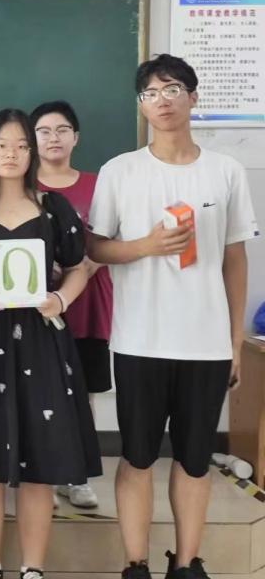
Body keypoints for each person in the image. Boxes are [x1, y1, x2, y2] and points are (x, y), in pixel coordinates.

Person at [87, 55, 258, 579]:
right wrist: (145, 245)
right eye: (150, 93)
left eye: (172, 89)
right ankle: (135, 564)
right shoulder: (120, 170)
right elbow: (96, 248)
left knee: (194, 458)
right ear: (140, 106)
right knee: (137, 457)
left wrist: (233, 343)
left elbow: (234, 259)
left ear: (193, 97)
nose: (161, 100)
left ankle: (186, 564)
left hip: (205, 344)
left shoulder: (225, 171)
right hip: (140, 340)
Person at [0, 109, 101, 579]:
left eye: (21, 146)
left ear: (32, 152)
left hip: (40, 341)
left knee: (41, 457)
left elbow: (79, 266)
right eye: (1, 145)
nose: (11, 154)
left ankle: (33, 568)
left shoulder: (53, 208)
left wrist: (60, 299)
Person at [30, 100, 113, 510]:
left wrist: (80, 268)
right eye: (44, 131)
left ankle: (77, 476)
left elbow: (110, 240)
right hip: (35, 306)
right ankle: (41, 477)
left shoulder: (99, 185)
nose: (54, 138)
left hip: (87, 302)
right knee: (39, 390)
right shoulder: (19, 187)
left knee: (84, 392)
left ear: (76, 137)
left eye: (62, 130)